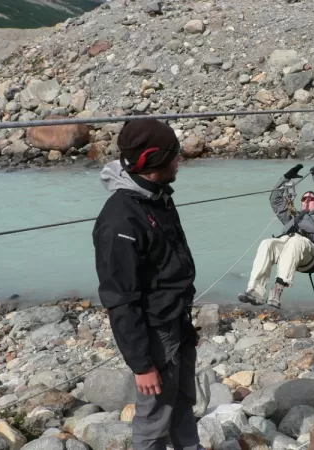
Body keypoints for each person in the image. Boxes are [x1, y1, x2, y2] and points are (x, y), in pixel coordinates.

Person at [92, 118, 203, 450]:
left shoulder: (158, 196)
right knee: (154, 418)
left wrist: (186, 330)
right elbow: (119, 299)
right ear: (151, 160)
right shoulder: (120, 221)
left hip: (176, 323)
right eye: (174, 154)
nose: (179, 159)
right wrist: (142, 365)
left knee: (183, 401)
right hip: (154, 333)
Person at [238, 164, 314, 309]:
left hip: (309, 253)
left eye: (311, 198)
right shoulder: (292, 218)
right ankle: (256, 291)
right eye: (304, 198)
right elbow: (274, 199)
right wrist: (286, 177)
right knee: (267, 243)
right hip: (288, 247)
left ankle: (277, 289)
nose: (307, 200)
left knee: (296, 241)